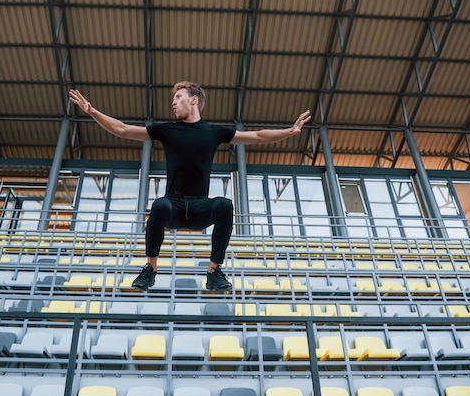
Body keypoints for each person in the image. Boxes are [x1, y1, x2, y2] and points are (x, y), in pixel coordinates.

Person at [69, 82, 311, 292]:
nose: (173, 103)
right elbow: (122, 129)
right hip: (173, 205)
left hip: (199, 207)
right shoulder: (167, 130)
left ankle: (214, 272)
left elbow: (258, 137)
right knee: (159, 205)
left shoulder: (214, 132)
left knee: (225, 205)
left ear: (193, 100)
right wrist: (92, 112)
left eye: (178, 97)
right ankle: (150, 269)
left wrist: (290, 132)